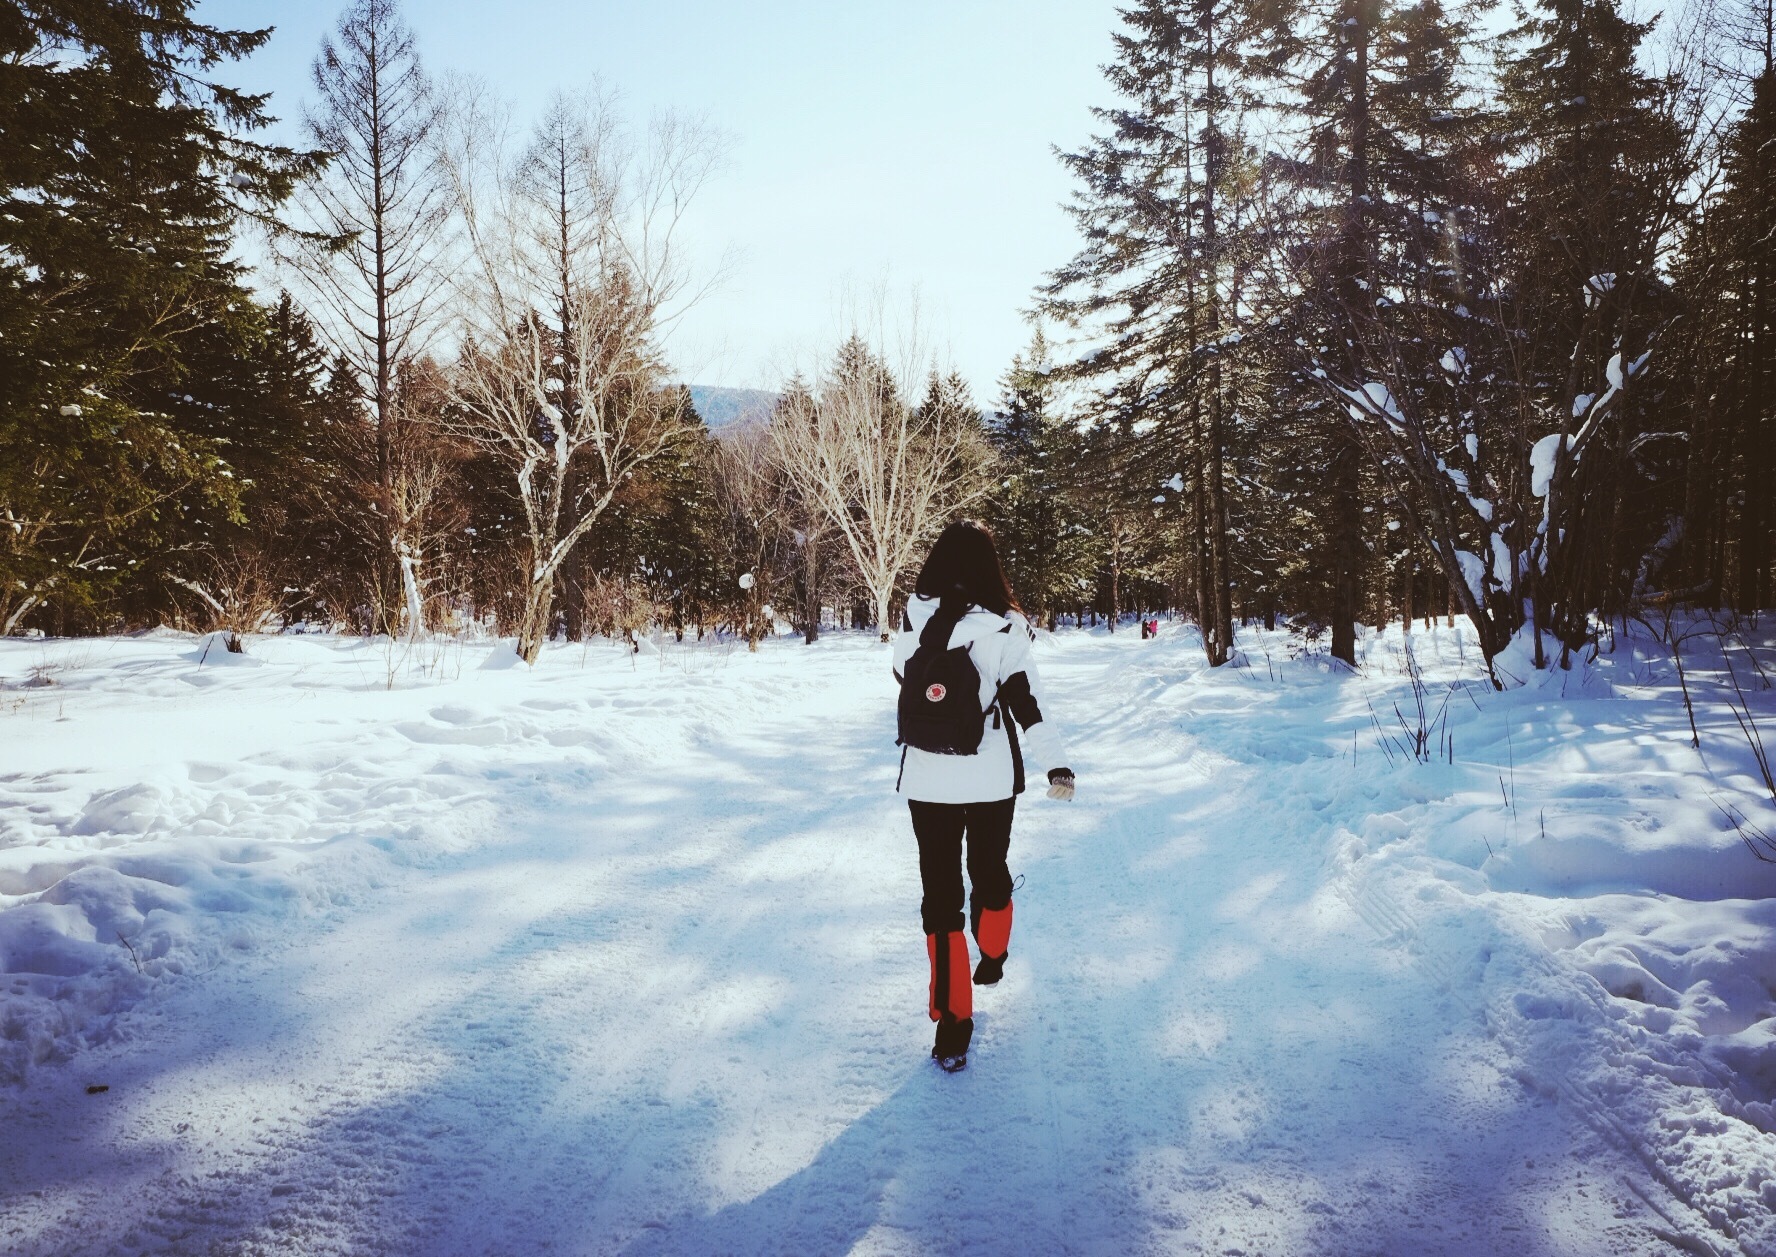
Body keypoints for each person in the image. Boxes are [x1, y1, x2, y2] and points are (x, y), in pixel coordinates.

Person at [891, 520, 1075, 1073]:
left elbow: (904, 678)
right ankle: (992, 955)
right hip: (991, 778)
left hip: (926, 778)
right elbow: (1028, 704)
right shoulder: (1007, 627)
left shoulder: (912, 617)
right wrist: (1056, 764)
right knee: (989, 871)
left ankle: (953, 1025)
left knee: (940, 896)